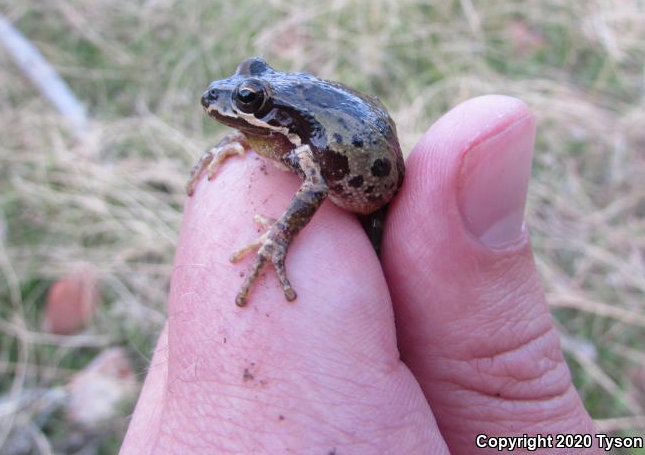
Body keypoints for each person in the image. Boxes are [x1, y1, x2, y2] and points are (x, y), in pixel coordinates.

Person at [121, 95, 600, 454]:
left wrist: (278, 237)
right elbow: (273, 145)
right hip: (331, 152)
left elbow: (314, 187)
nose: (226, 100)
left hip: (371, 200)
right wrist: (236, 136)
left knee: (382, 295)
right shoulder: (284, 134)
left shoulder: (302, 146)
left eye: (248, 101)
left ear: (276, 113)